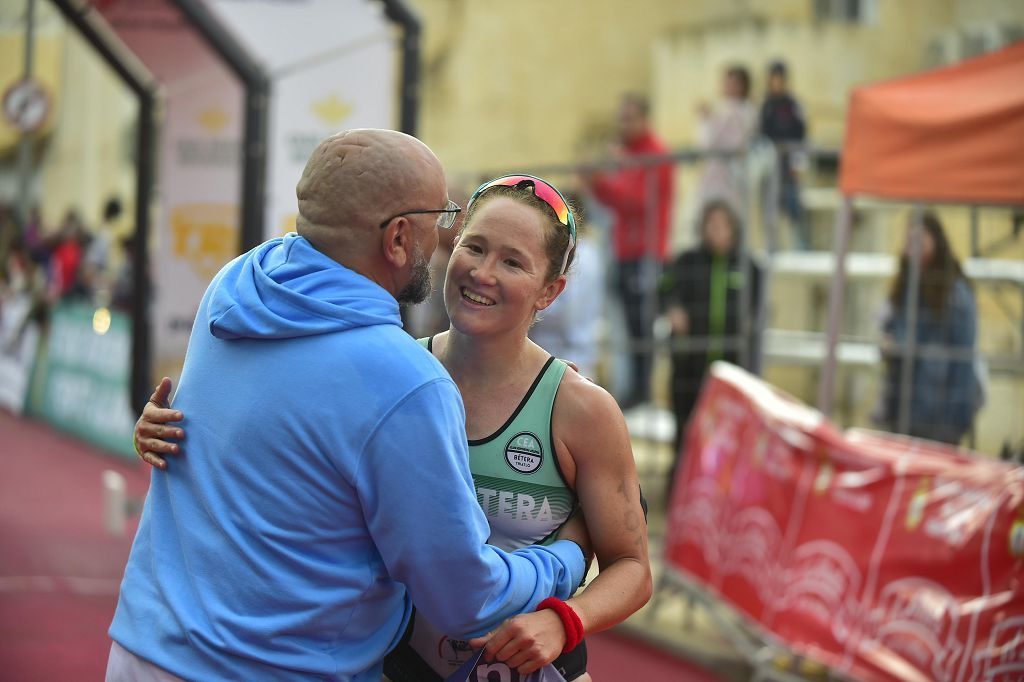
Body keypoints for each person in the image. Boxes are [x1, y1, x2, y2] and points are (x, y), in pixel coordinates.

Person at [108, 130, 590, 682]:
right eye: (444, 219)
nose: (449, 241)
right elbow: (465, 598)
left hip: (142, 648)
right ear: (399, 239)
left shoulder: (236, 285)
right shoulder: (405, 382)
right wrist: (568, 556)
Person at [661, 200, 762, 498]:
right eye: (711, 224)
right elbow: (664, 290)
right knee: (686, 430)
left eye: (723, 225)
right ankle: (680, 493)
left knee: (729, 434)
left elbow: (760, 310)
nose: (716, 231)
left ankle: (721, 494)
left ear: (734, 230)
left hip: (733, 370)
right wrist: (672, 309)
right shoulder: (687, 262)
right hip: (689, 366)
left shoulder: (748, 266)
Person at [582, 93, 674, 408]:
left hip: (645, 251)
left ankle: (641, 390)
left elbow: (636, 201)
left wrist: (603, 181)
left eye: (629, 117)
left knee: (641, 325)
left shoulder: (655, 155)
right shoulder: (629, 155)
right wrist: (597, 183)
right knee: (629, 327)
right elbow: (618, 202)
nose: (623, 124)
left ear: (644, 119)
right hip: (626, 250)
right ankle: (634, 388)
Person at [875, 211, 978, 445]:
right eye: (909, 241)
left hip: (939, 413)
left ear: (936, 242)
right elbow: (890, 336)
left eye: (920, 240)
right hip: (902, 406)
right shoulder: (904, 287)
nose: (913, 248)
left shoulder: (955, 293)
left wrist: (955, 423)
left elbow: (963, 360)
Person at [529, 198, 604, 379]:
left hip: (559, 349)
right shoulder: (592, 251)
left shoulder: (575, 255)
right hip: (582, 348)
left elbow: (567, 309)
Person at [760, 60, 808, 249]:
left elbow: (801, 136)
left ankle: (801, 248)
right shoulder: (767, 106)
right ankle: (772, 247)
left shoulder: (793, 105)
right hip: (770, 166)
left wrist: (799, 163)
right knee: (770, 211)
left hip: (788, 166)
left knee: (794, 210)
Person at [697, 65, 758, 210]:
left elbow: (731, 143)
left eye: (733, 83)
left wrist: (709, 120)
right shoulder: (721, 109)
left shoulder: (746, 111)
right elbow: (704, 142)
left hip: (733, 177)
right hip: (713, 176)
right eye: (727, 82)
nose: (728, 86)